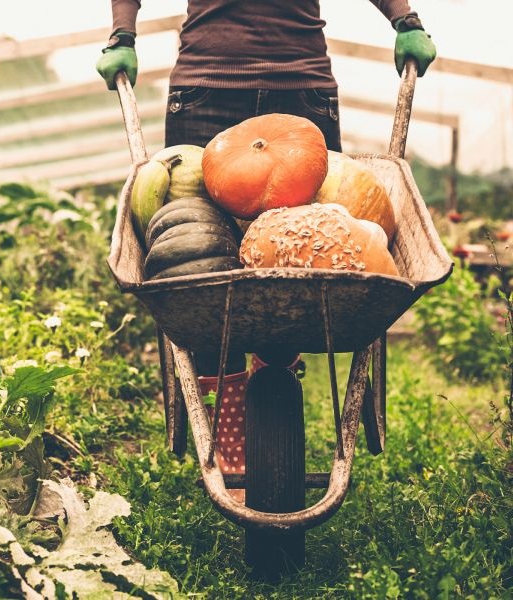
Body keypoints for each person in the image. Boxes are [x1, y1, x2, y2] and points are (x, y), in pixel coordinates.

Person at [96, 1, 436, 482]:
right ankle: (232, 417)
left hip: (300, 84)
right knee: (205, 259)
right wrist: (121, 34)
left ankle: (272, 372)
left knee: (309, 247)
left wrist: (406, 20)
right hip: (208, 83)